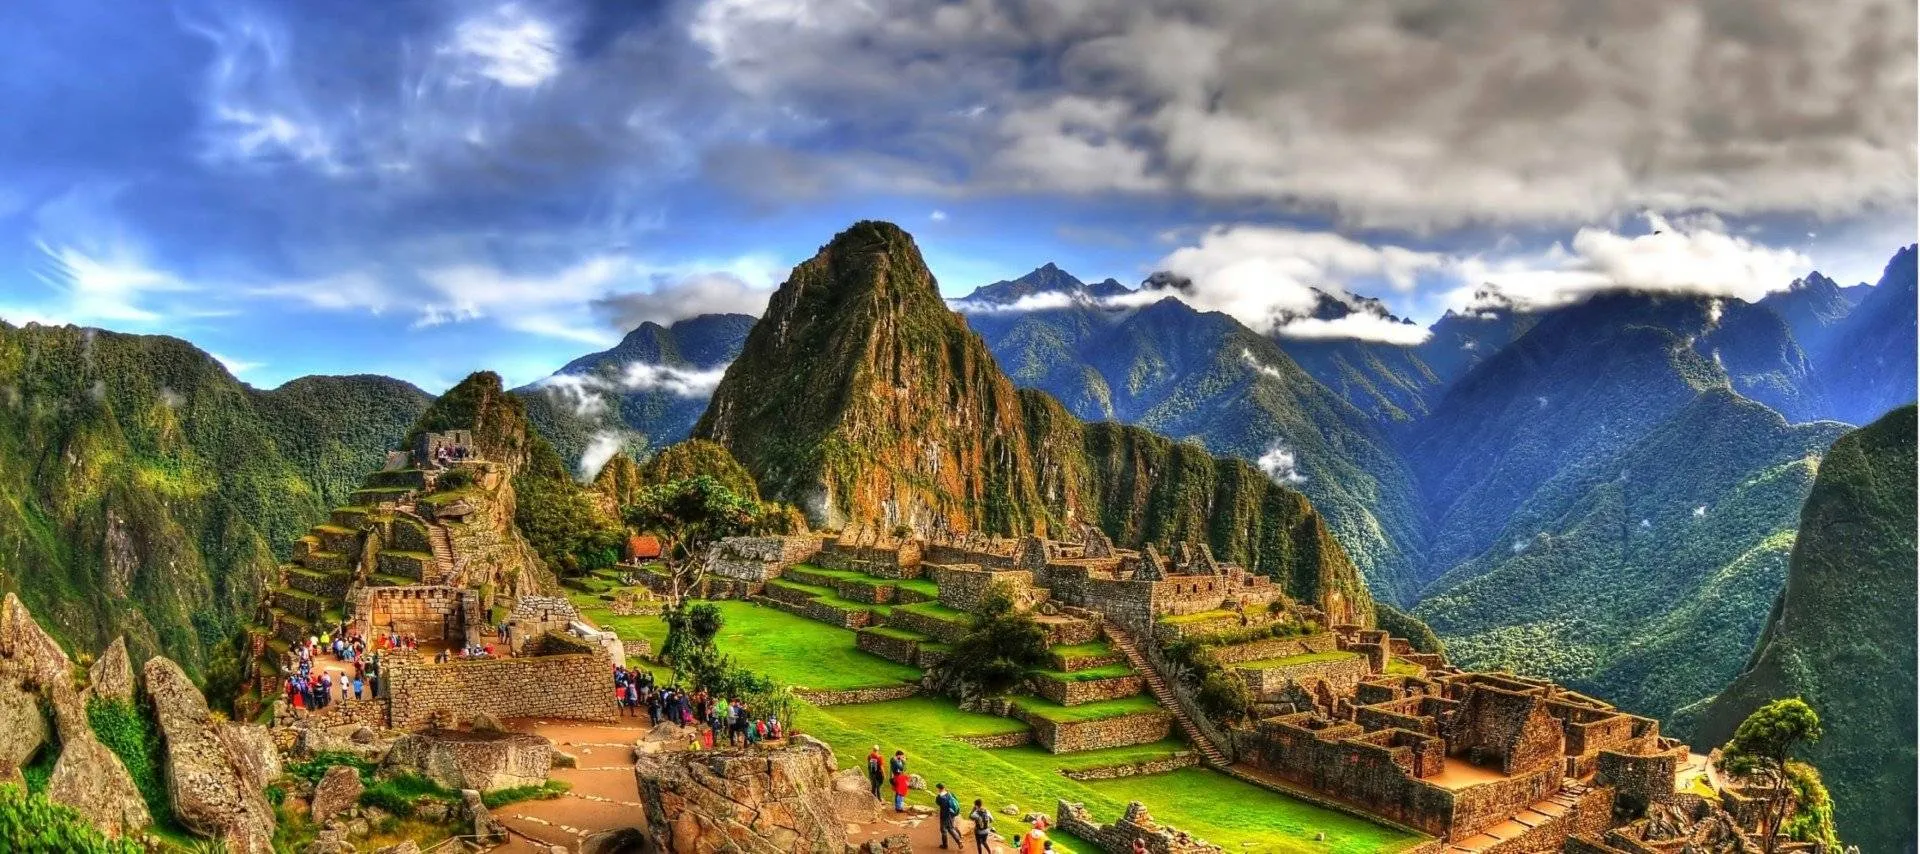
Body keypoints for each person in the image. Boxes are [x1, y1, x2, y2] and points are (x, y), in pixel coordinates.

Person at [935, 784, 964, 850]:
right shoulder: (950, 793)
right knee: (951, 828)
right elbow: (956, 800)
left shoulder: (940, 797)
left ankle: (945, 845)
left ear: (939, 789)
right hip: (952, 814)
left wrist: (938, 796)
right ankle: (959, 841)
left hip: (944, 816)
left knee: (943, 830)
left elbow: (937, 803)